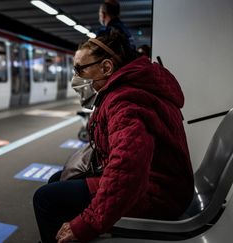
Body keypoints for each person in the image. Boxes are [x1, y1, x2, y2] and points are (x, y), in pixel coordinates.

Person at [33, 30, 194, 243]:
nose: (75, 78)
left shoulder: (125, 101)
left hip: (159, 194)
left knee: (46, 199)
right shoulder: (132, 87)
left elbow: (127, 168)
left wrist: (86, 224)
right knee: (57, 180)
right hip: (162, 183)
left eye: (80, 69)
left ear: (106, 67)